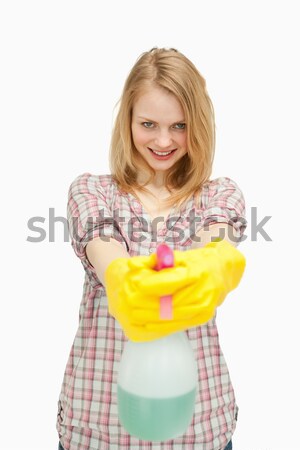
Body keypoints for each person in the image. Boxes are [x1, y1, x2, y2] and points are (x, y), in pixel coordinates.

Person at [56, 47, 246, 450]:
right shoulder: (92, 191)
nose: (163, 140)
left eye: (179, 125)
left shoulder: (217, 195)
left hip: (198, 430)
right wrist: (121, 276)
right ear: (127, 121)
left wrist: (215, 261)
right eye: (148, 124)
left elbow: (218, 235)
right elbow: (101, 243)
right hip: (99, 429)